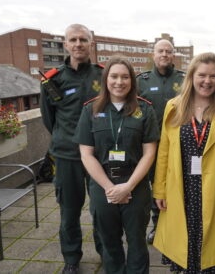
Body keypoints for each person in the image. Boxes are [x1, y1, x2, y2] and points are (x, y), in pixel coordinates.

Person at [152, 52, 215, 273]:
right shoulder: (174, 107)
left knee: (211, 252)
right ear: (192, 76)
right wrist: (159, 190)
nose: (207, 81)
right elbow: (164, 153)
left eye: (213, 76)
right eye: (202, 75)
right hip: (181, 189)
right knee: (182, 247)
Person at [74, 56, 159, 273]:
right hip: (103, 188)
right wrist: (110, 189)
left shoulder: (145, 110)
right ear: (106, 79)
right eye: (114, 76)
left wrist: (127, 187)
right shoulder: (90, 110)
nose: (119, 82)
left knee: (137, 243)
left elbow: (149, 153)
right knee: (109, 243)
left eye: (124, 77)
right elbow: (86, 154)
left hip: (136, 186)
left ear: (132, 80)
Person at [40, 24, 103, 274]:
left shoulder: (104, 75)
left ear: (91, 44)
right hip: (68, 156)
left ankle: (107, 253)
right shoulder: (53, 79)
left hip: (100, 155)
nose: (78, 44)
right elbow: (49, 119)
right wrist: (69, 139)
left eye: (83, 39)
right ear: (65, 44)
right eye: (73, 40)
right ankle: (71, 259)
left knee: (102, 210)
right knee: (69, 212)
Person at [137, 39, 185, 244]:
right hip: (151, 144)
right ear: (153, 54)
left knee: (180, 185)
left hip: (180, 144)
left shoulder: (185, 79)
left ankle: (179, 226)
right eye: (160, 51)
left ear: (173, 55)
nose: (164, 54)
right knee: (155, 185)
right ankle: (157, 226)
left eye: (168, 51)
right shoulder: (142, 81)